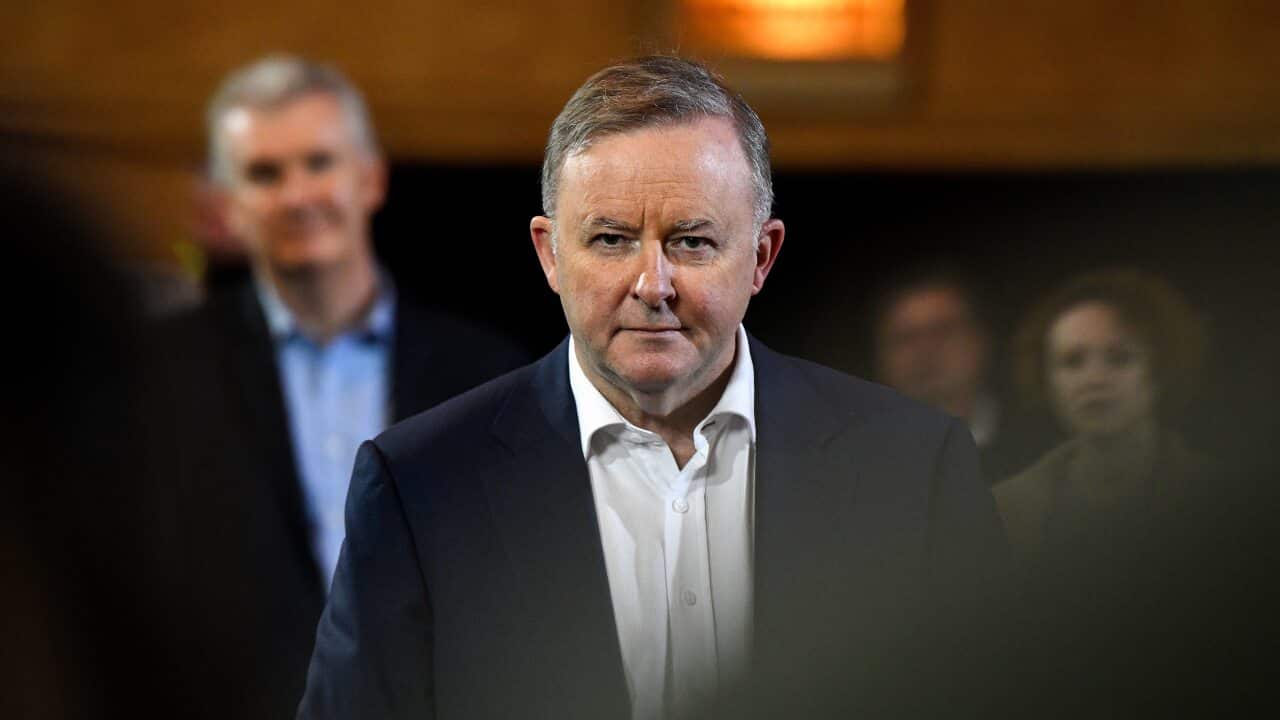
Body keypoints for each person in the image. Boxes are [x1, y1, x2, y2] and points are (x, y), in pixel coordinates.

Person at [297, 56, 1006, 720]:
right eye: (610, 239)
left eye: (692, 241)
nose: (651, 285)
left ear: (761, 257)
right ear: (549, 254)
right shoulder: (420, 485)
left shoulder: (915, 468)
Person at [162, 55, 528, 720]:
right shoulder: (160, 373)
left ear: (371, 178)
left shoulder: (488, 372)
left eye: (320, 162)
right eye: (264, 173)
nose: (299, 195)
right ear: (225, 207)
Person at [995, 268, 1209, 565]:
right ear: (1047, 381)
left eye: (1119, 358)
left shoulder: (1219, 498)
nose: (1095, 379)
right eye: (1073, 361)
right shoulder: (1007, 511)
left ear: (1160, 370)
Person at [872, 267, 1021, 481]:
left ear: (980, 341)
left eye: (943, 332)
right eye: (905, 339)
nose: (924, 352)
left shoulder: (1038, 435)